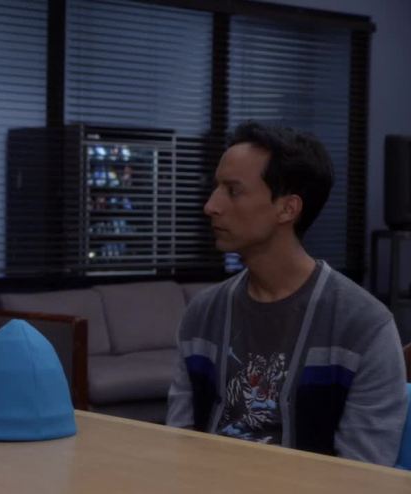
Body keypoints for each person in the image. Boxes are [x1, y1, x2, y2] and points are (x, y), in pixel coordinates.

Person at [166, 121, 408, 466]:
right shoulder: (202, 314)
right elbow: (178, 441)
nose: (211, 206)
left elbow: (362, 475)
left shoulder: (364, 326)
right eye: (215, 188)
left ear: (288, 208)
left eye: (233, 191)